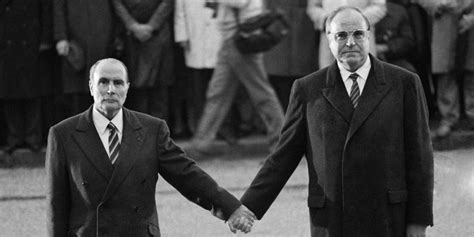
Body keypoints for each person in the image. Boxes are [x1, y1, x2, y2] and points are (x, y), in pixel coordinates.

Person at [237, 7, 434, 236]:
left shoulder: (404, 83)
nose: (350, 42)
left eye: (358, 34)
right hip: (332, 220)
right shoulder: (307, 89)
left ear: (369, 36)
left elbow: (420, 157)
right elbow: (283, 157)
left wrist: (419, 220)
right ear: (329, 39)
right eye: (341, 35)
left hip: (388, 216)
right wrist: (248, 207)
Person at [45, 58, 255, 236]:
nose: (110, 90)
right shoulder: (63, 134)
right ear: (91, 86)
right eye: (103, 82)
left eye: (118, 83)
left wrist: (230, 208)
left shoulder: (151, 129)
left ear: (127, 88)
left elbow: (187, 175)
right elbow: (56, 206)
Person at [186, 0, 285, 155]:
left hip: (242, 40)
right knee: (217, 93)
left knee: (262, 95)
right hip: (232, 40)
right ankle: (201, 143)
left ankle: (282, 144)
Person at [0, 0, 52, 153]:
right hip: (6, 40)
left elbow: (46, 11)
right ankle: (14, 136)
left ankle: (32, 137)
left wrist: (45, 39)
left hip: (32, 39)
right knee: (8, 91)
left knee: (32, 91)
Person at [416, 0, 474, 137]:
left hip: (471, 23)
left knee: (472, 72)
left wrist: (472, 17)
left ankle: (472, 114)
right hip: (445, 21)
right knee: (445, 73)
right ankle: (448, 118)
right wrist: (437, 4)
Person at [112, 0, 174, 120]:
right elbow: (117, 3)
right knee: (136, 86)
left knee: (160, 85)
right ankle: (139, 130)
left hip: (158, 33)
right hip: (130, 35)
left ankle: (159, 131)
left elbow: (167, 2)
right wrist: (132, 25)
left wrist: (152, 26)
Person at [53, 0, 116, 116]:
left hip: (103, 34)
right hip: (76, 38)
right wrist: (60, 36)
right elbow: (58, 8)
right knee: (77, 91)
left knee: (103, 87)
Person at [307, 0, 386, 68]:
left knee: (365, 76)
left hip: (361, 36)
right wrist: (326, 20)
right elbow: (313, 7)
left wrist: (356, 20)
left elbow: (380, 7)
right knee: (328, 78)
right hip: (330, 38)